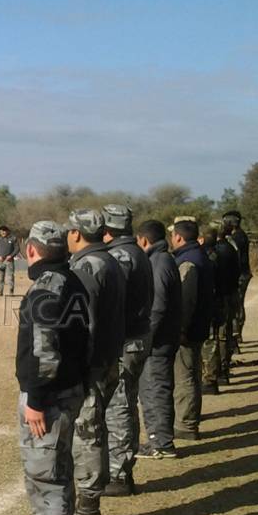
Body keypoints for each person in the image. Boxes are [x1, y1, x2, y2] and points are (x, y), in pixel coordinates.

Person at [7, 221, 91, 515]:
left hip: (51, 395)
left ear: (31, 249)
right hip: (69, 388)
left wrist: (36, 400)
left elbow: (44, 353)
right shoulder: (72, 280)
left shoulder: (46, 288)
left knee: (47, 471)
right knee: (55, 466)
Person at [64, 209, 125, 515]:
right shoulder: (110, 260)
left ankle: (88, 509)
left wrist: (75, 367)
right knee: (95, 427)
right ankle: (90, 501)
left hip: (92, 365)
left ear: (76, 233)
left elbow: (84, 323)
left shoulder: (88, 266)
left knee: (87, 433)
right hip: (109, 359)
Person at [101, 205, 153, 497]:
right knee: (127, 402)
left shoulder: (121, 256)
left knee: (119, 405)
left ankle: (119, 474)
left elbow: (113, 301)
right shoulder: (137, 252)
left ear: (108, 229)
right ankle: (124, 469)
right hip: (138, 337)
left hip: (127, 341)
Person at [136, 220, 182, 459]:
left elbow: (157, 306)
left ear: (143, 240)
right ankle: (159, 439)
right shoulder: (163, 259)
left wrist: (146, 339)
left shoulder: (159, 262)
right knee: (153, 389)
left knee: (155, 390)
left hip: (158, 342)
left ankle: (162, 443)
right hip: (163, 339)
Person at [171, 220, 214, 441]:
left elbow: (186, 300)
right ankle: (190, 418)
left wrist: (180, 328)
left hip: (189, 330)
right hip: (199, 325)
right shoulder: (200, 255)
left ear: (178, 237)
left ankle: (185, 423)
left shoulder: (188, 262)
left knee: (185, 376)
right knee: (192, 374)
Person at [200, 225, 240, 392]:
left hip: (214, 300)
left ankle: (211, 378)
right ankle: (221, 370)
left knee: (211, 341)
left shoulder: (208, 256)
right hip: (224, 297)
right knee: (221, 336)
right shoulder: (227, 250)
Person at [222, 210, 252, 342]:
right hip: (241, 274)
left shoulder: (238, 237)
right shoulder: (238, 235)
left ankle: (237, 334)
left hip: (240, 275)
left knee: (237, 304)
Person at [0, 225, 19, 295]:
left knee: (10, 276)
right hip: (1, 261)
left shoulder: (13, 239)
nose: (3, 232)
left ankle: (11, 291)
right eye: (1, 231)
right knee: (1, 277)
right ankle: (0, 291)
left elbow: (17, 249)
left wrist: (11, 255)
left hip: (9, 261)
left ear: (7, 231)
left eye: (4, 231)